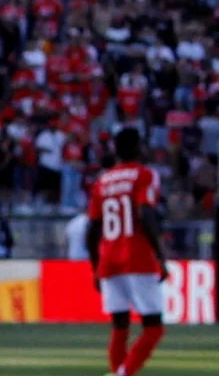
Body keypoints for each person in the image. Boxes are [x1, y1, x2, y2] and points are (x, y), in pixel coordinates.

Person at [86, 128, 168, 376]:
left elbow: (91, 230)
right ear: (138, 148)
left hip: (109, 259)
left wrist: (95, 268)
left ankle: (118, 371)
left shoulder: (102, 181)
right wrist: (160, 254)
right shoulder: (145, 175)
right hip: (136, 256)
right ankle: (124, 373)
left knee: (120, 327)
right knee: (153, 327)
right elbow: (145, 214)